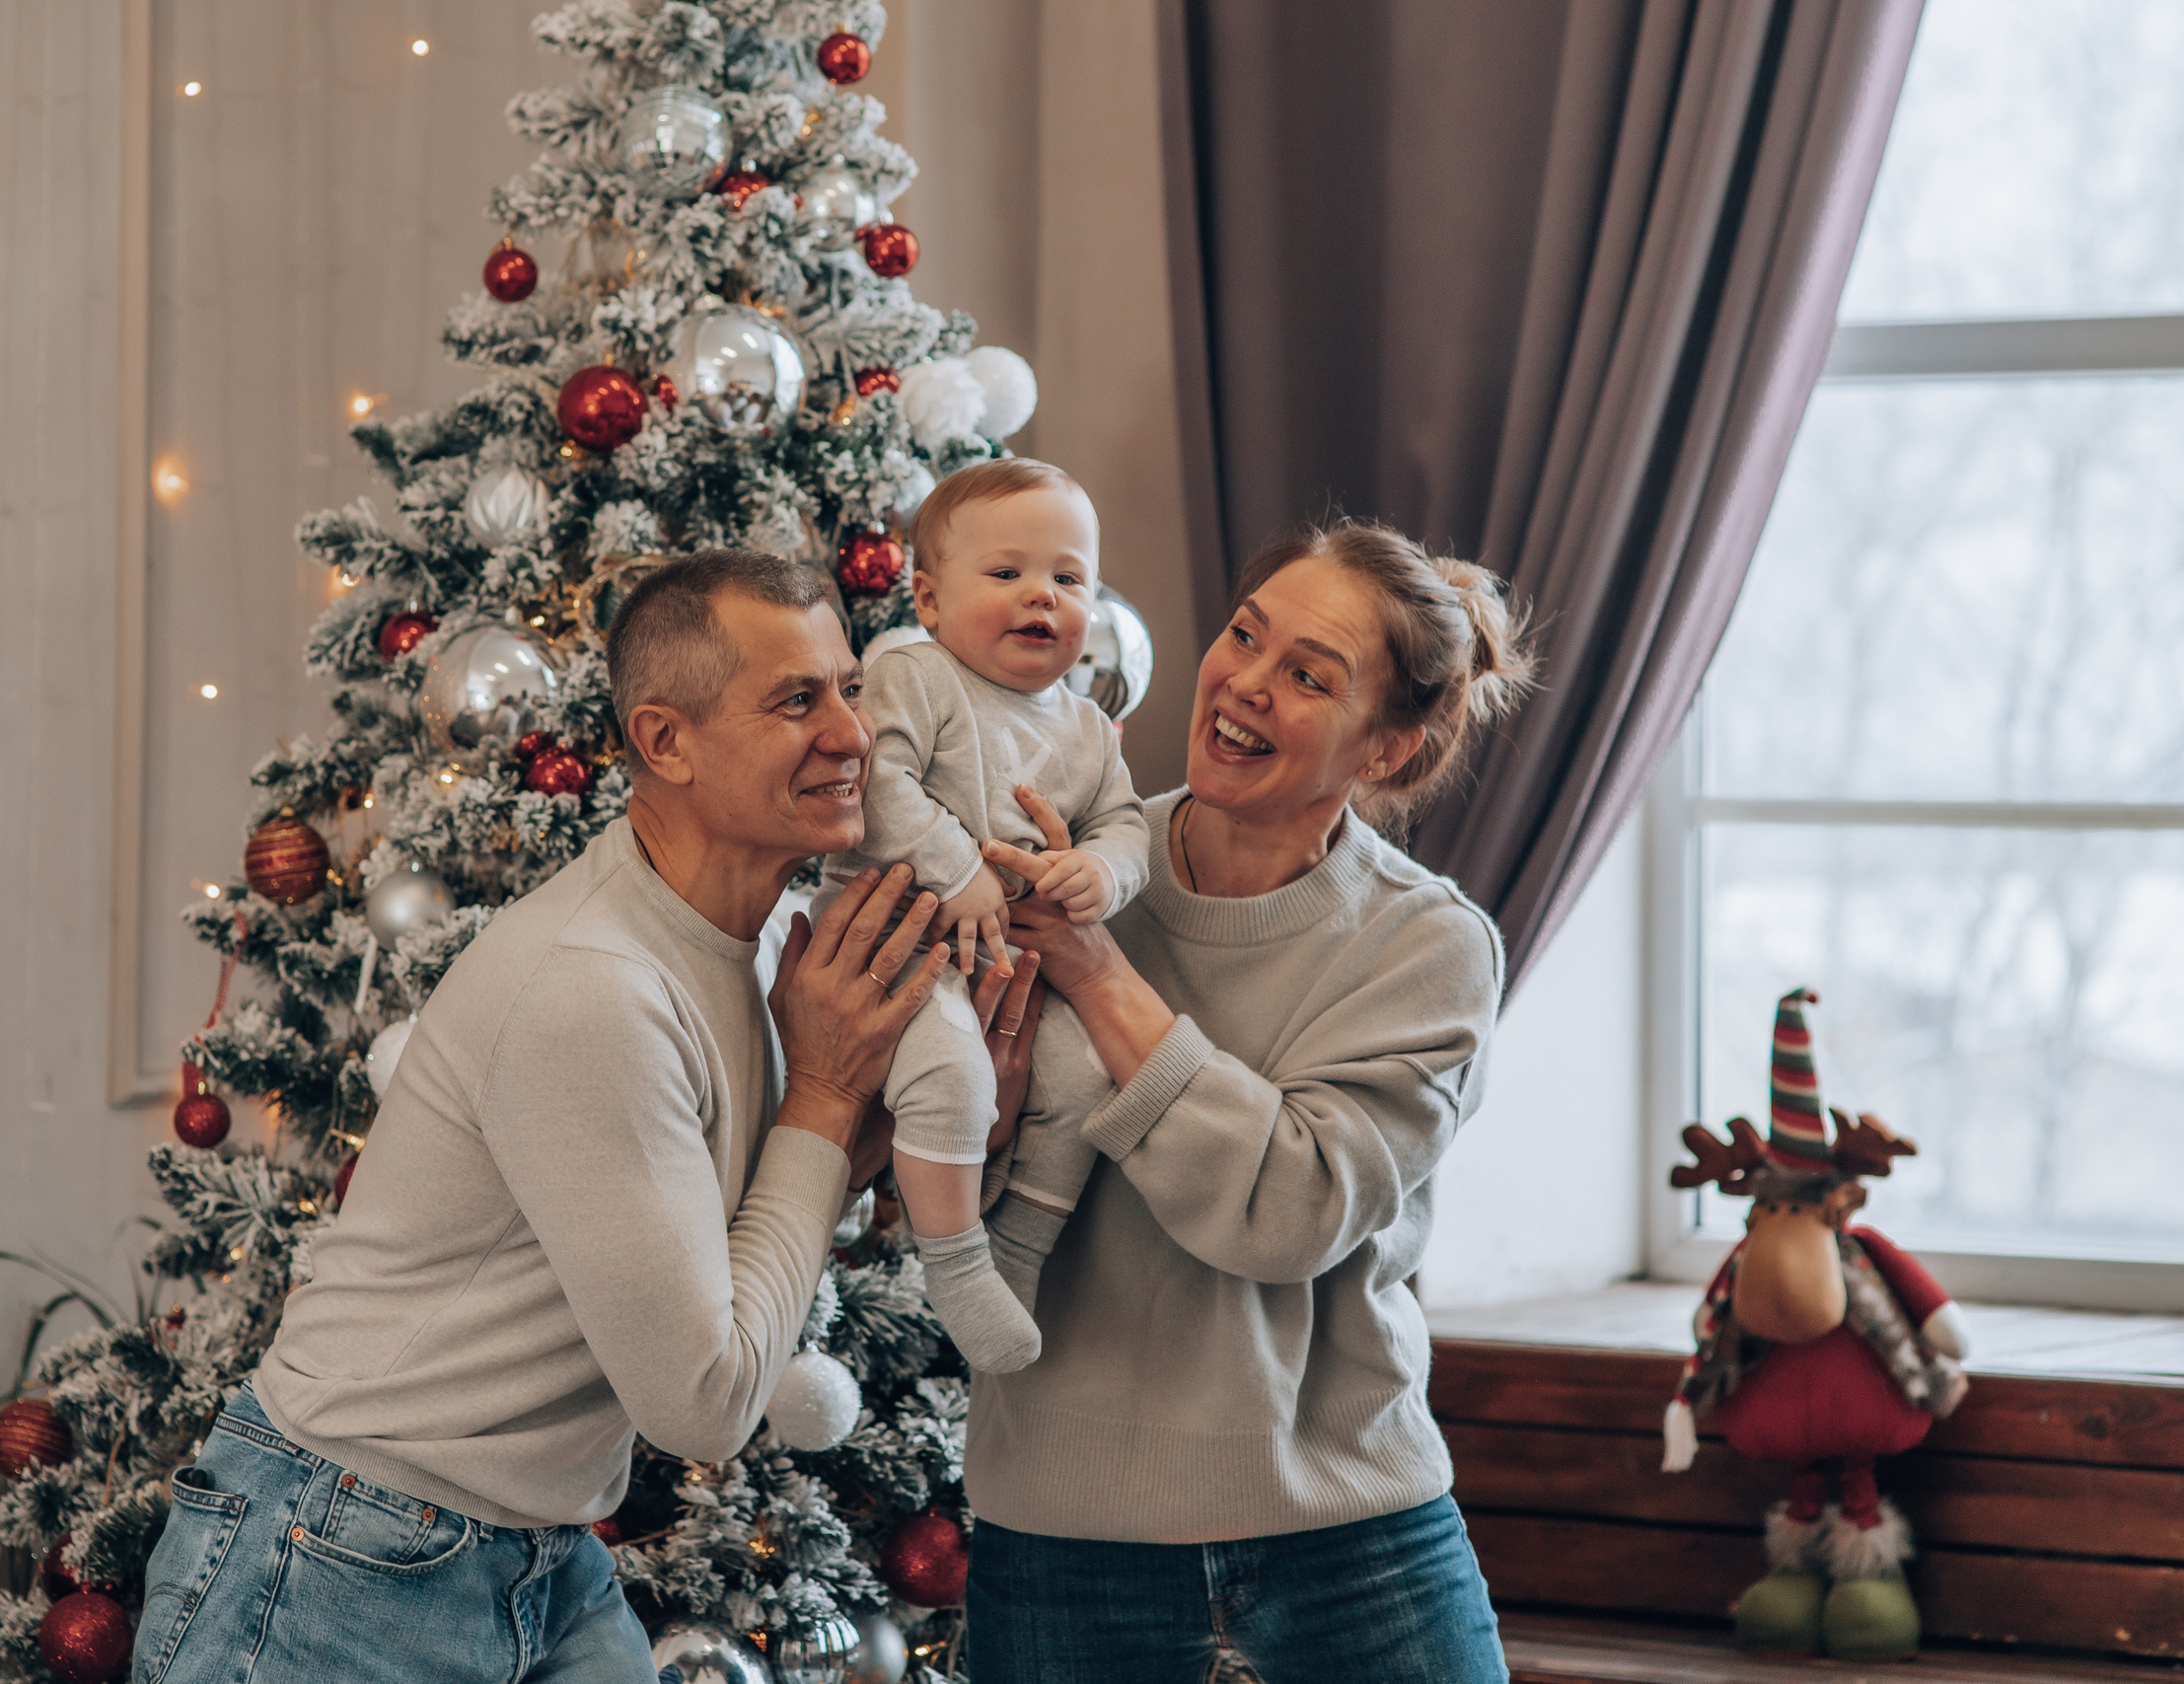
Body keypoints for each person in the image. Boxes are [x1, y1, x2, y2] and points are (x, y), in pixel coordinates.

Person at [130, 549, 1017, 1684]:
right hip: (339, 1551)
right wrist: (830, 1097)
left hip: (537, 1555)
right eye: (799, 699)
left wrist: (882, 1123)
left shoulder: (768, 950)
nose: (855, 734)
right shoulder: (593, 985)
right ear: (665, 741)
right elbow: (702, 1400)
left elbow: (729, 1242)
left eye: (850, 686)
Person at [964, 519, 1538, 1684]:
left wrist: (1095, 976)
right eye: (1244, 636)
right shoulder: (1066, 864)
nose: (1244, 685)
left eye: (1308, 676)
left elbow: (1287, 1213)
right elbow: (937, 1194)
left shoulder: (1424, 946)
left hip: (1353, 1542)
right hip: (1063, 1544)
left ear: (1385, 749)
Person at [816, 459, 1147, 1375]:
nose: (1042, 595)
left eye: (1068, 578)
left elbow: (1125, 824)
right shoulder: (913, 673)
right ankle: (955, 1262)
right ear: (927, 598)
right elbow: (870, 782)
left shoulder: (1084, 726)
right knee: (953, 1072)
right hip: (901, 939)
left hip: (1005, 953)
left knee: (1086, 1075)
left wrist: (1098, 872)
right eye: (1006, 574)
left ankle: (1016, 1253)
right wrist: (957, 867)